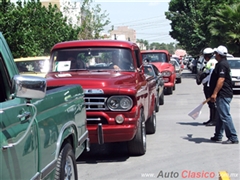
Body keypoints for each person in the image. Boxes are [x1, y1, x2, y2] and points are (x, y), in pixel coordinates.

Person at [209, 45, 238, 144]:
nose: (214, 55)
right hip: (223, 94)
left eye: (215, 53)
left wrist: (214, 93)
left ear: (219, 54)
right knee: (220, 115)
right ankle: (218, 135)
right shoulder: (221, 63)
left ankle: (233, 137)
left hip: (223, 94)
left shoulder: (222, 65)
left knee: (225, 116)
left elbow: (221, 80)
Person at [196, 47, 218, 126]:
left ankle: (214, 120)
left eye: (205, 56)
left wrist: (205, 82)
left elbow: (210, 74)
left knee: (212, 103)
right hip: (208, 85)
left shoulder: (211, 62)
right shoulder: (210, 62)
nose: (204, 57)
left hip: (209, 86)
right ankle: (211, 119)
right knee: (210, 103)